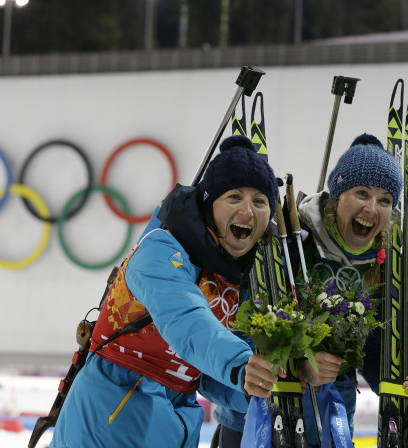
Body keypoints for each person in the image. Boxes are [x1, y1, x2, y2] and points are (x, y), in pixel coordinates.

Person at [50, 135, 284, 447]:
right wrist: (241, 363)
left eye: (260, 201)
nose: (248, 211)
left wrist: (262, 386)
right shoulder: (161, 249)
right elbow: (186, 319)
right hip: (109, 416)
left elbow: (206, 374)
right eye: (234, 197)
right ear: (208, 202)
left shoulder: (233, 277)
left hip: (173, 423)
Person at [212, 133, 408, 447]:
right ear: (338, 195)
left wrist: (402, 382)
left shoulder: (383, 263)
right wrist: (299, 359)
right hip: (258, 414)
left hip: (330, 419)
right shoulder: (289, 243)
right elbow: (240, 322)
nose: (372, 207)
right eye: (362, 193)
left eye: (385, 200)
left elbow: (377, 348)